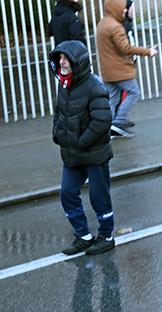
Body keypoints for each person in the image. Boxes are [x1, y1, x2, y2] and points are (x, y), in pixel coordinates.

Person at [50, 40, 116, 256]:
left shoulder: (95, 87)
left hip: (94, 155)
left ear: (77, 61)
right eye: (59, 58)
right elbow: (59, 113)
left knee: (99, 196)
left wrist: (81, 141)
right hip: (72, 155)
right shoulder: (64, 84)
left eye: (65, 58)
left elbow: (102, 121)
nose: (61, 62)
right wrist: (57, 134)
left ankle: (106, 236)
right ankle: (83, 235)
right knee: (67, 194)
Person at [96, 0, 158, 137]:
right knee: (134, 92)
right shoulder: (116, 27)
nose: (125, 10)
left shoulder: (102, 24)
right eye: (123, 7)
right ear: (116, 8)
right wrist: (148, 51)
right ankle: (119, 121)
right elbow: (126, 48)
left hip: (107, 71)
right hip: (119, 70)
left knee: (113, 98)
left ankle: (110, 126)